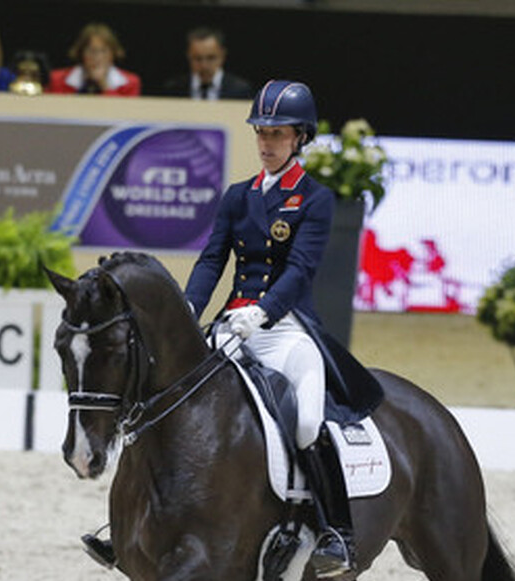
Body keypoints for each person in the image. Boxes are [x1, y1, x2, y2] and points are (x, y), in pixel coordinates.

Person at [183, 79, 356, 577]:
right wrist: (188, 311)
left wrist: (263, 311)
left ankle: (335, 532)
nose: (266, 142)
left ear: (300, 138)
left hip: (284, 328)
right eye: (261, 132)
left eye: (278, 134)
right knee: (172, 397)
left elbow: (301, 268)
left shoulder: (314, 199)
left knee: (305, 421)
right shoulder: (237, 197)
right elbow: (211, 260)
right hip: (230, 326)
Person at [156, 26, 254, 100]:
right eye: (197, 59)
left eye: (211, 58)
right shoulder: (174, 90)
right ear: (188, 56)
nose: (204, 65)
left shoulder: (240, 90)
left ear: (222, 55)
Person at [47, 23, 141, 96]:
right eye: (92, 51)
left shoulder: (130, 82)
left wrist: (104, 85)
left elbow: (124, 114)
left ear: (113, 54)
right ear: (81, 53)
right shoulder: (57, 79)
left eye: (103, 51)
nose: (98, 57)